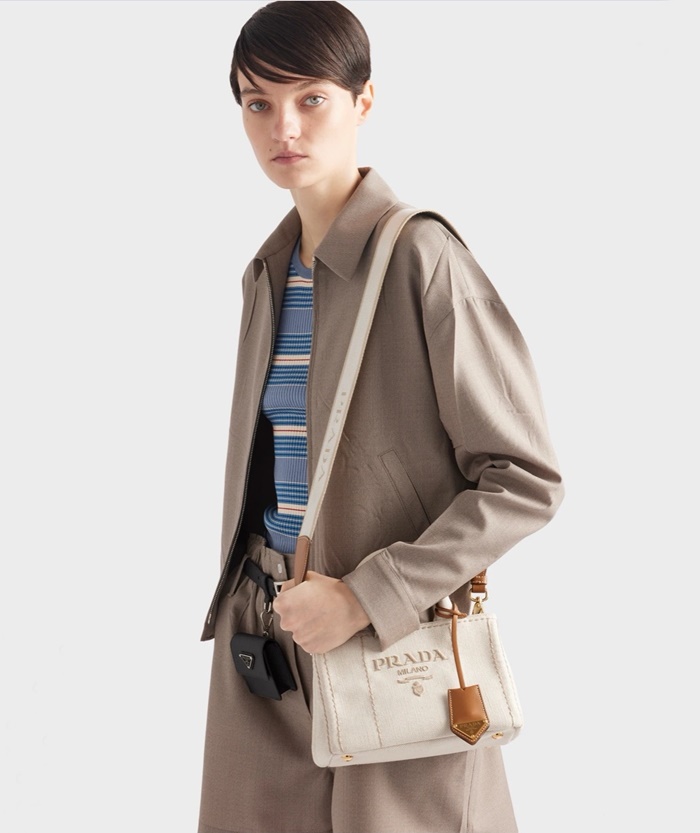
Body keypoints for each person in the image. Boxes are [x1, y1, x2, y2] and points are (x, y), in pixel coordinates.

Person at [198, 3, 564, 832]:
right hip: (266, 647)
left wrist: (369, 596)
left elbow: (526, 478)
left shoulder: (422, 258)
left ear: (364, 100)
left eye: (311, 98)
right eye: (258, 103)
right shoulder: (267, 274)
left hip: (389, 649)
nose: (283, 127)